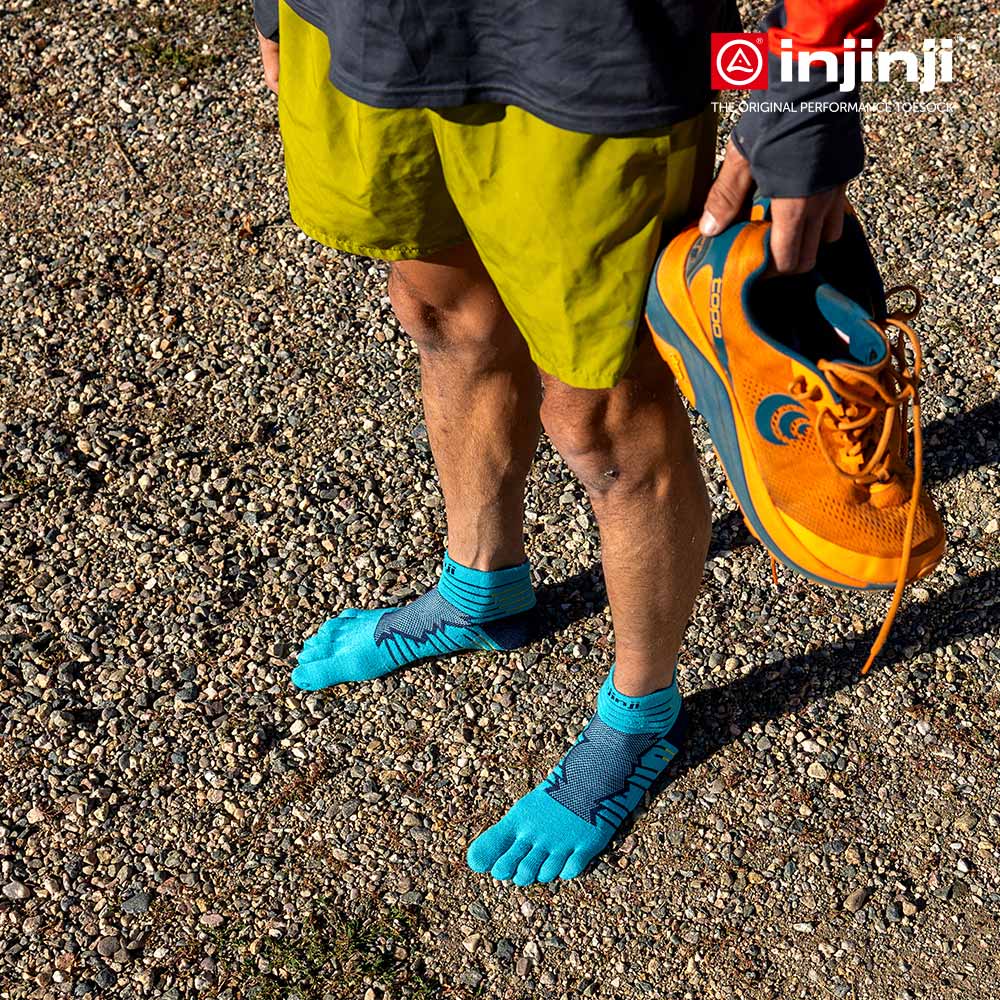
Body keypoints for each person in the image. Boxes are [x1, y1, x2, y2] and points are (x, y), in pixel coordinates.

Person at [253, 0, 886, 886]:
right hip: (367, 19)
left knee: (604, 410)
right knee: (439, 311)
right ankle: (481, 592)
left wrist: (808, 83)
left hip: (589, 43)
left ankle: (641, 716)